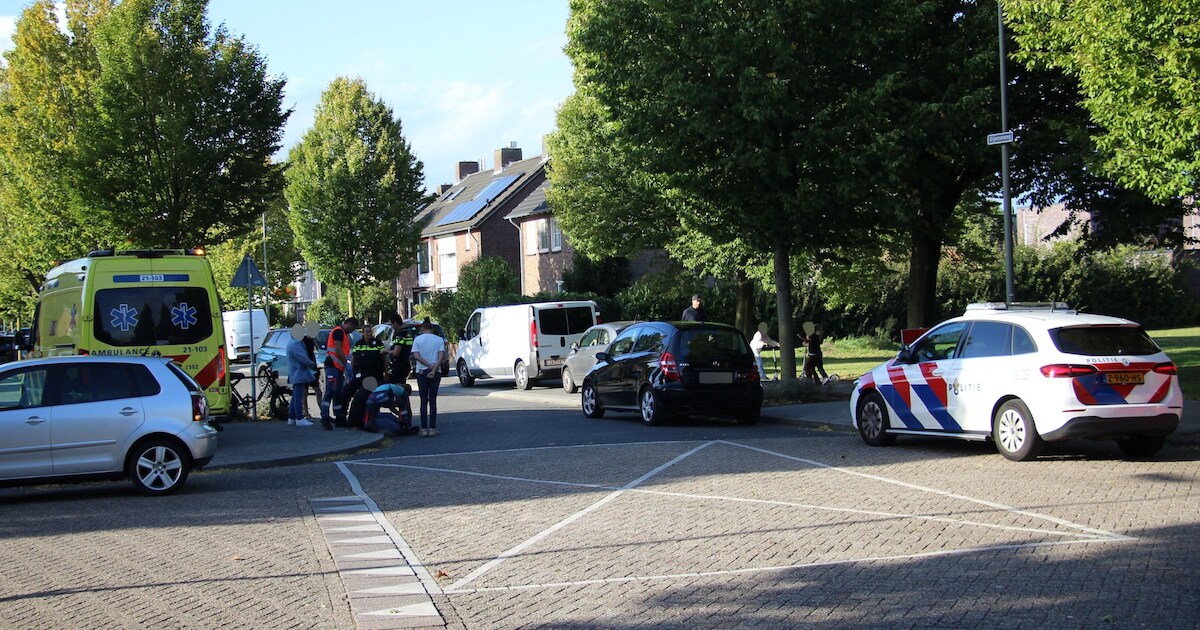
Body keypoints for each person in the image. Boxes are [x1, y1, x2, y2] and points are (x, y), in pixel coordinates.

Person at [339, 325, 385, 425]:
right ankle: (341, 416)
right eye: (367, 332)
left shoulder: (377, 343)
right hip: (360, 373)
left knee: (361, 396)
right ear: (363, 333)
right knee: (346, 391)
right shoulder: (358, 344)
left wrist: (385, 373)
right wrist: (351, 372)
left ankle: (357, 420)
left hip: (373, 374)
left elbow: (384, 359)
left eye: (370, 332)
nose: (369, 334)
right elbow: (354, 359)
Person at [320, 316, 358, 431]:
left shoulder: (342, 333)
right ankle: (325, 417)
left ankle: (339, 417)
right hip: (333, 365)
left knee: (338, 393)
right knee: (330, 391)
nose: (352, 331)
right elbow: (338, 349)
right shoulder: (339, 332)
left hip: (338, 366)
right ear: (350, 324)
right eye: (353, 328)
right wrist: (345, 362)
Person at [411, 319, 446, 436]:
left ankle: (423, 429)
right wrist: (434, 368)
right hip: (436, 372)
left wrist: (428, 366)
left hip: (422, 372)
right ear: (432, 328)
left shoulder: (417, 339)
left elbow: (416, 356)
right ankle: (432, 428)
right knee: (433, 400)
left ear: (422, 328)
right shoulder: (439, 340)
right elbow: (441, 356)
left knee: (423, 401)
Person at [286, 324, 318, 427]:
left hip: (295, 372)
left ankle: (291, 417)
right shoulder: (296, 344)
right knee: (298, 396)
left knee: (295, 395)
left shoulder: (291, 342)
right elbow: (303, 358)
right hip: (298, 373)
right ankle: (299, 418)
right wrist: (312, 365)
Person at [386, 313, 415, 384]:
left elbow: (396, 352)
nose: (391, 326)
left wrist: (386, 351)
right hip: (406, 363)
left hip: (399, 365)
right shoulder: (407, 333)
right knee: (402, 383)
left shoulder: (399, 335)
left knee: (397, 385)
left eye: (391, 324)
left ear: (395, 323)